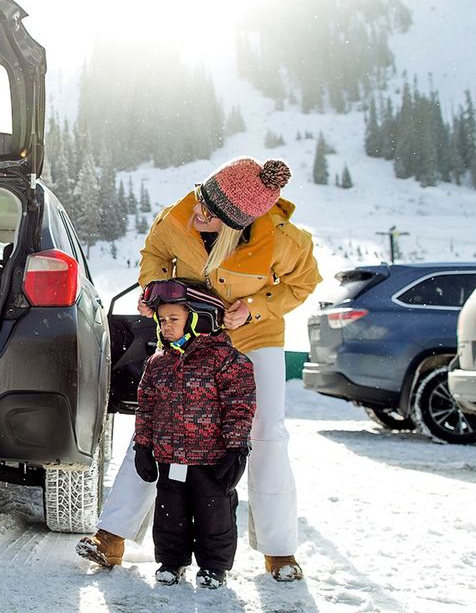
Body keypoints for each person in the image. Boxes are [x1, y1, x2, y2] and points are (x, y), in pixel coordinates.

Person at [77, 157, 320, 582]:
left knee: (266, 434)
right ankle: (111, 536)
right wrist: (153, 287)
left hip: (254, 339)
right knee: (155, 429)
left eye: (207, 212)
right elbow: (154, 253)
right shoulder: (181, 214)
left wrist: (255, 309)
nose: (196, 212)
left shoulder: (283, 240)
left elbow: (303, 283)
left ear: (234, 225)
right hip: (188, 340)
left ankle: (279, 551)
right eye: (200, 199)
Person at [132, 279, 255, 589]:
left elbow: (239, 404)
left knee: (214, 513)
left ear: (197, 318)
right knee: (169, 511)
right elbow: (146, 408)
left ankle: (214, 566)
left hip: (211, 458)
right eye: (163, 320)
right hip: (170, 456)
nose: (167, 326)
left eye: (174, 319)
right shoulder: (158, 364)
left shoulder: (224, 359)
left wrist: (236, 448)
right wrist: (143, 447)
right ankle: (171, 561)